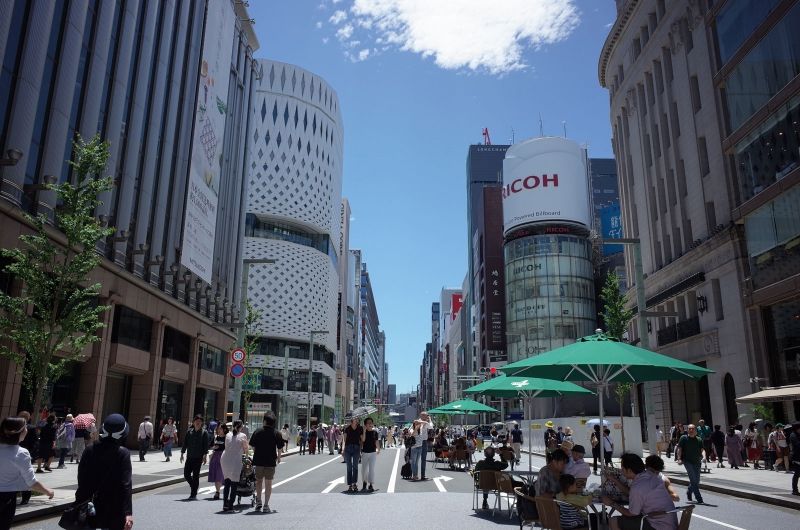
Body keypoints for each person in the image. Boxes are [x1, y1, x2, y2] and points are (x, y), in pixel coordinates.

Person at [76, 414, 133, 530]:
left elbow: (81, 478)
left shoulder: (89, 450)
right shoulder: (123, 453)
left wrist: (80, 500)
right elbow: (125, 485)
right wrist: (128, 512)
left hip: (89, 502)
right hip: (114, 505)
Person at [0, 417, 54, 527]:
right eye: (25, 427)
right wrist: (48, 491)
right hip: (6, 499)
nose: (27, 430)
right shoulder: (21, 453)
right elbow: (31, 482)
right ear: (20, 432)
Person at [603, 453, 677, 530]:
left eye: (622, 468)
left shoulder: (638, 487)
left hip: (658, 526)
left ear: (629, 470)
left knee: (613, 521)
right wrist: (614, 480)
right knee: (624, 518)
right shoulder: (650, 475)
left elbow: (631, 513)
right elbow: (631, 492)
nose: (621, 470)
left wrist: (612, 503)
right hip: (669, 522)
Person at [249, 412, 285, 513]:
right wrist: (278, 458)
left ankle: (259, 501)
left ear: (264, 421)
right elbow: (280, 447)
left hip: (258, 461)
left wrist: (257, 452)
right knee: (268, 483)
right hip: (270, 461)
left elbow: (252, 445)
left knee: (258, 481)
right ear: (273, 422)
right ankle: (266, 505)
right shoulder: (276, 433)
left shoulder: (257, 431)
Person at [180, 415, 209, 500]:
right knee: (186, 474)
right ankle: (194, 487)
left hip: (198, 458)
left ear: (202, 423)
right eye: (196, 421)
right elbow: (185, 443)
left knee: (196, 475)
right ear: (193, 422)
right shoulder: (189, 432)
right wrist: (182, 453)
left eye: (200, 422)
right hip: (189, 456)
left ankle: (193, 494)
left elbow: (205, 446)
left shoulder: (204, 433)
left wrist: (205, 456)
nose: (198, 423)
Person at [221, 420, 248, 511]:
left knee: (227, 482)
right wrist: (246, 456)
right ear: (240, 427)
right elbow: (245, 449)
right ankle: (231, 505)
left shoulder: (228, 435)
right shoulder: (243, 436)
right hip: (235, 460)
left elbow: (227, 446)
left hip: (225, 459)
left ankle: (225, 504)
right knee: (234, 484)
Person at [676, 423, 704, 503]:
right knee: (693, 479)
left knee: (697, 480)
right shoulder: (683, 438)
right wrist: (679, 459)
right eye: (689, 429)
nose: (691, 430)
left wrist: (704, 457)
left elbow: (702, 450)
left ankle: (689, 491)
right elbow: (679, 449)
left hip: (697, 462)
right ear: (687, 430)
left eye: (693, 429)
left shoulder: (699, 439)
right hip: (687, 461)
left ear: (696, 430)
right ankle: (699, 498)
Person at [411, 411, 433, 481]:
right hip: (417, 443)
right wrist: (429, 421)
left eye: (427, 416)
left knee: (423, 459)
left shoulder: (425, 423)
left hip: (424, 442)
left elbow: (431, 427)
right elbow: (430, 426)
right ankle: (415, 475)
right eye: (426, 416)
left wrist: (429, 420)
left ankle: (422, 475)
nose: (427, 417)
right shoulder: (418, 422)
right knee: (415, 460)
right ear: (422, 416)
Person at [343, 417, 363, 492]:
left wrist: (361, 450)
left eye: (358, 418)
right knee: (349, 467)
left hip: (356, 448)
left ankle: (354, 483)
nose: (357, 419)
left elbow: (362, 440)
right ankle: (350, 485)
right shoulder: (347, 428)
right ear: (352, 420)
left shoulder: (360, 428)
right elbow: (344, 440)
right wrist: (343, 449)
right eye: (356, 418)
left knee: (355, 466)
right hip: (348, 448)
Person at [360, 417, 380, 492]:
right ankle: (364, 482)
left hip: (373, 453)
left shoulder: (375, 432)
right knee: (364, 470)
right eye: (368, 423)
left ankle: (371, 484)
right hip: (365, 452)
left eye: (371, 422)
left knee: (371, 469)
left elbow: (376, 441)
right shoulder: (362, 432)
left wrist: (378, 449)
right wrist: (364, 431)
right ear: (365, 424)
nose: (370, 424)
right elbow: (363, 440)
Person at [208, 423, 226, 500]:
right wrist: (214, 447)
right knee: (216, 475)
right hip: (215, 457)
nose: (219, 430)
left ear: (224, 429)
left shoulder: (227, 438)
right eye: (218, 429)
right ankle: (217, 492)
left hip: (224, 457)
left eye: (220, 429)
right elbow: (210, 445)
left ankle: (225, 490)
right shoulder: (215, 437)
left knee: (221, 474)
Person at [789, 422, 800, 496]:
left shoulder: (797, 434)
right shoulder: (793, 435)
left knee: (797, 474)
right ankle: (794, 490)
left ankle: (795, 490)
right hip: (797, 457)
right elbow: (798, 445)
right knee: (797, 474)